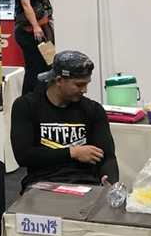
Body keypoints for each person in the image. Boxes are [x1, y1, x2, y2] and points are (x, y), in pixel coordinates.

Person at [10, 50, 118, 193]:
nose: (85, 90)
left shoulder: (93, 110)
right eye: (79, 85)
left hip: (85, 183)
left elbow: (108, 157)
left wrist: (111, 183)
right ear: (59, 80)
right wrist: (72, 153)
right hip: (42, 183)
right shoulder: (26, 106)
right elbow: (24, 156)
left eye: (86, 84)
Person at [13, 0, 49, 94]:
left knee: (45, 63)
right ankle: (30, 99)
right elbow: (26, 4)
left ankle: (36, 97)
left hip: (34, 29)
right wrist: (36, 27)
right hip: (28, 31)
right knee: (36, 67)